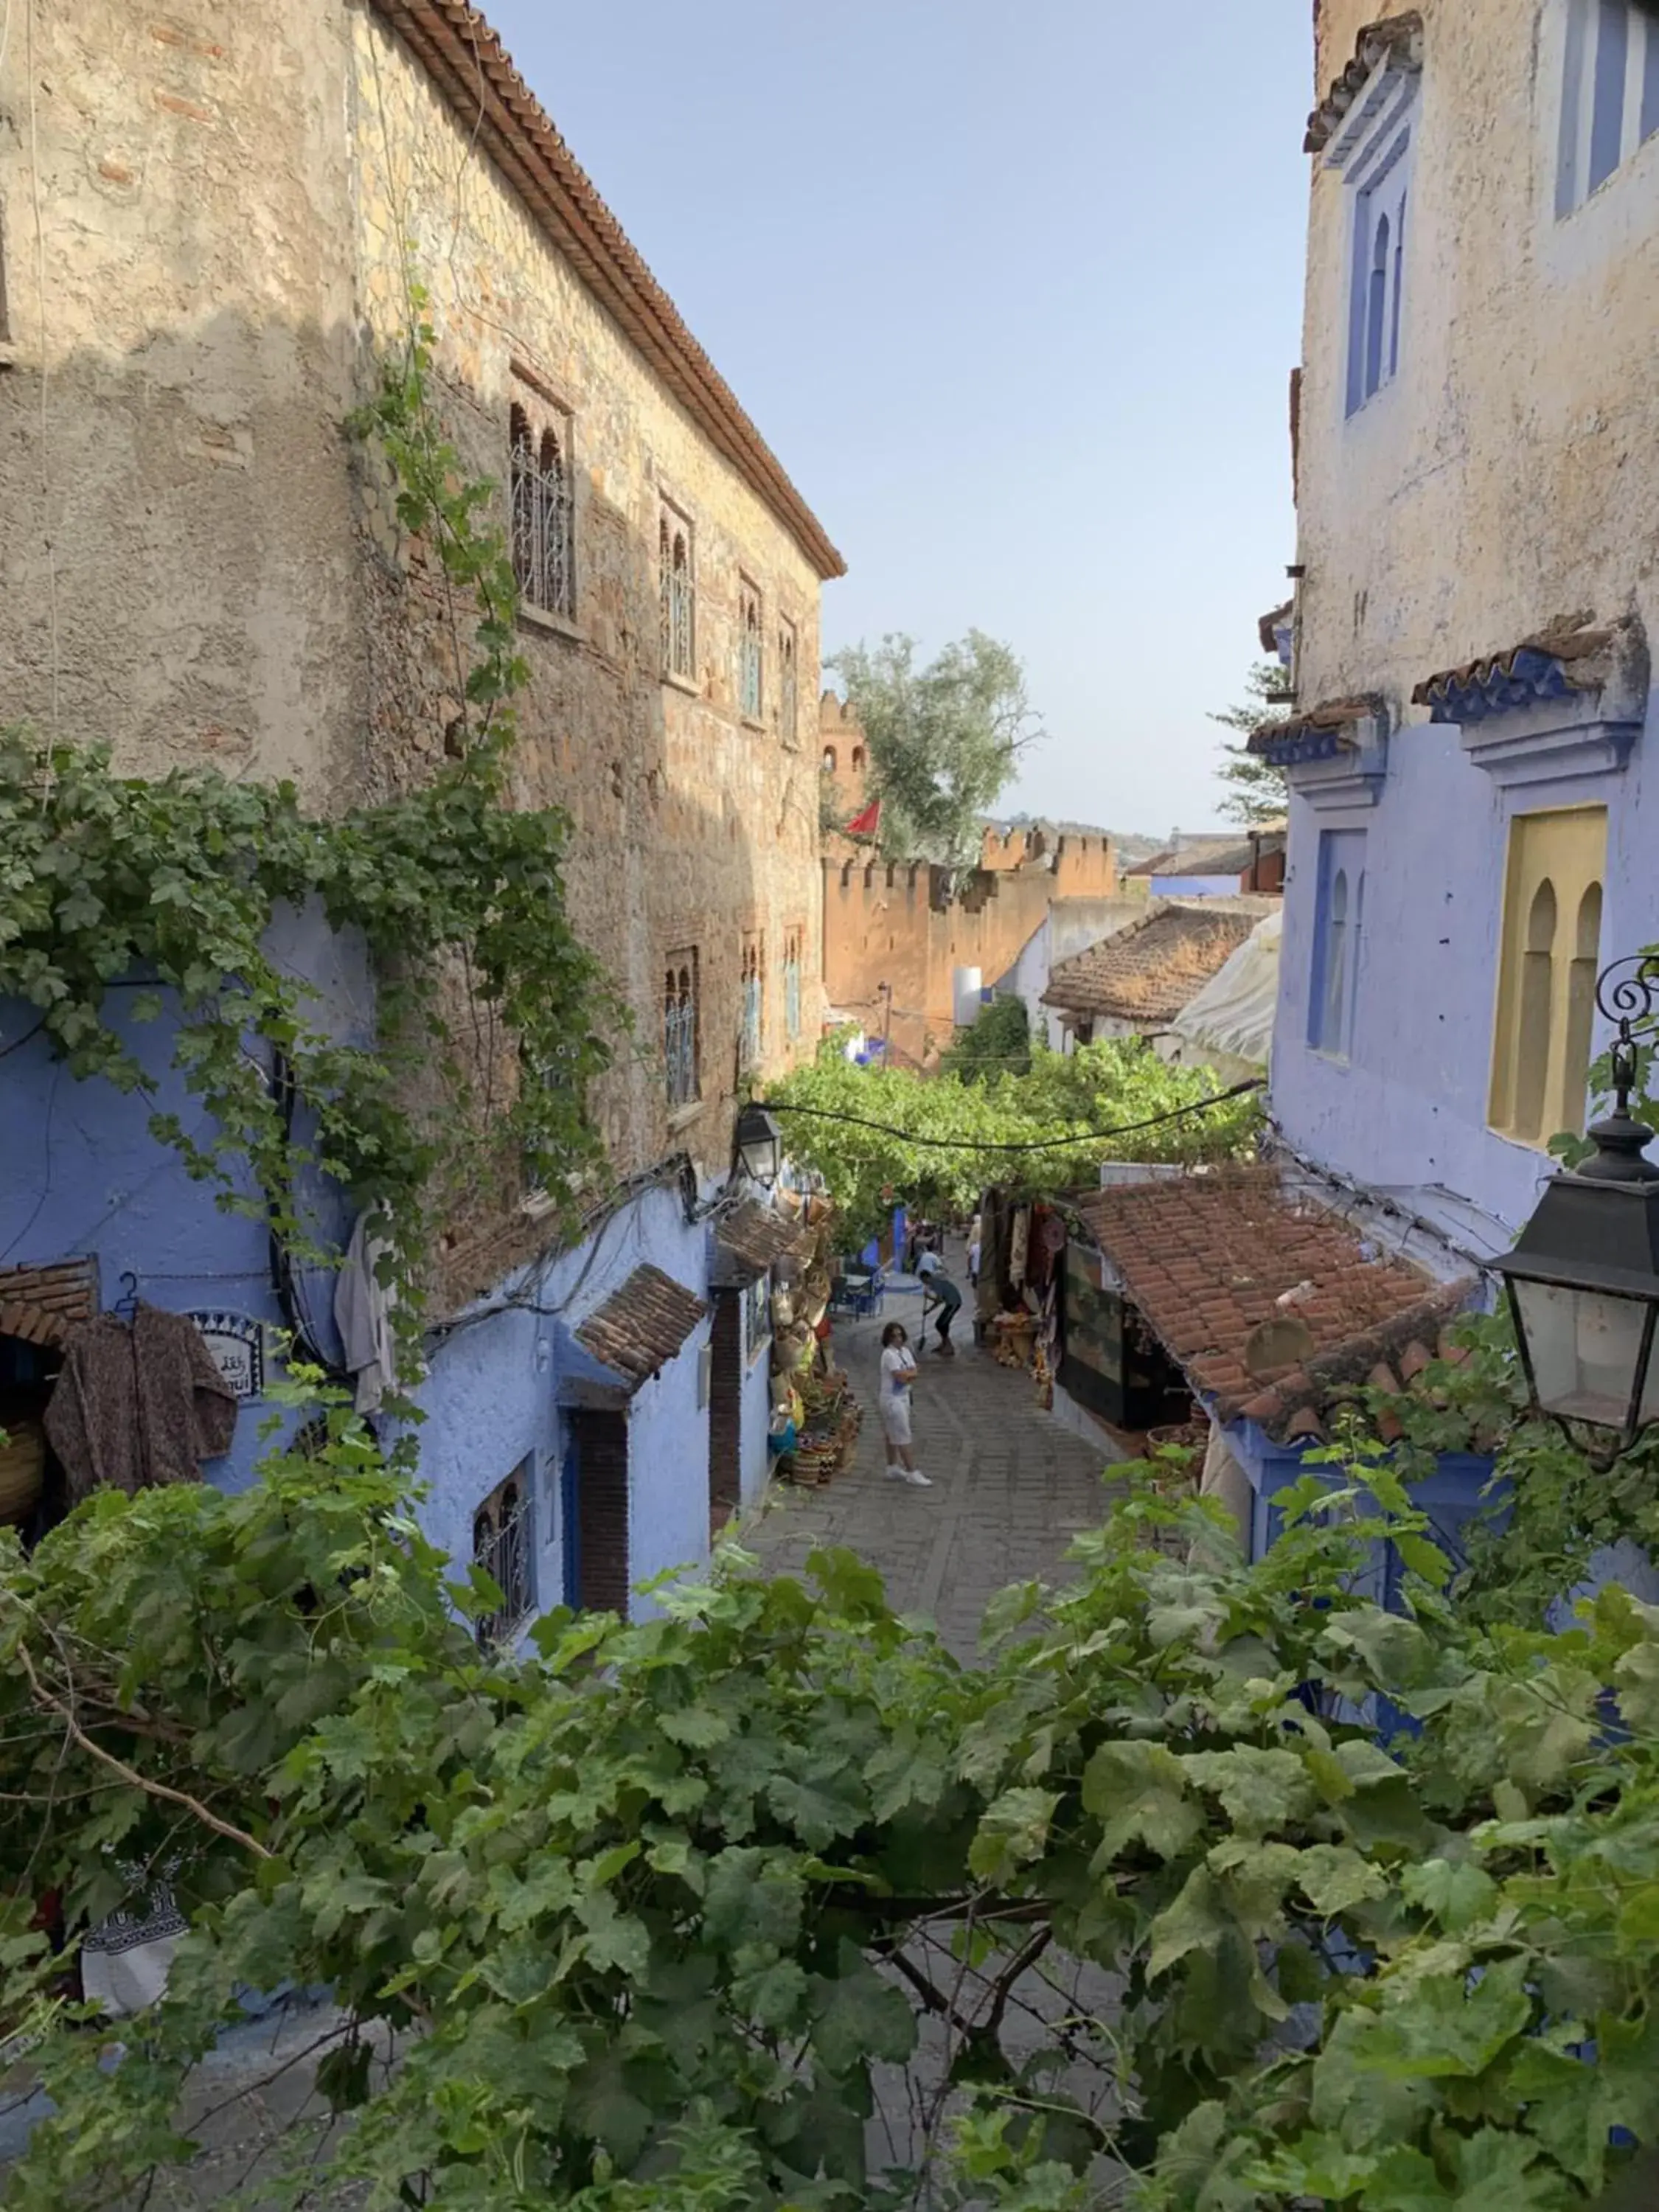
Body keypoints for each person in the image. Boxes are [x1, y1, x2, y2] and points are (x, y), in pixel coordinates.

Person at [877, 1322, 930, 1486]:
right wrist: (910, 1374)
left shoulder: (905, 1352)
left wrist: (910, 1374)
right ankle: (912, 1471)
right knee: (902, 1433)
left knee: (892, 1432)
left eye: (900, 1335)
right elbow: (900, 1376)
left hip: (904, 1396)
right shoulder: (889, 1355)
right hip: (892, 1399)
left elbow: (914, 1370)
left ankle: (892, 1466)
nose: (898, 1339)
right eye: (894, 1336)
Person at [916, 1250, 964, 1358]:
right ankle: (944, 1344)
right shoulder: (933, 1283)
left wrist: (928, 1304)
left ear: (927, 1277)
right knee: (940, 1324)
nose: (925, 1284)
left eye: (924, 1281)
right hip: (949, 1303)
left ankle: (949, 1346)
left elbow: (939, 1300)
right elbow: (940, 1300)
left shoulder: (935, 1282)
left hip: (954, 1303)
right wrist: (929, 1307)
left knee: (942, 1324)